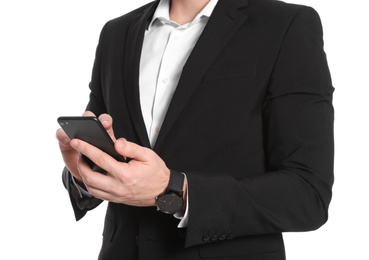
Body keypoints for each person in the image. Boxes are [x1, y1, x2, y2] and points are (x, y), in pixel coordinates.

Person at [56, 0, 334, 259]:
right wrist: (83, 173)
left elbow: (308, 194)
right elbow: (113, 155)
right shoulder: (116, 33)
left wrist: (174, 190)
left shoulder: (285, 24)